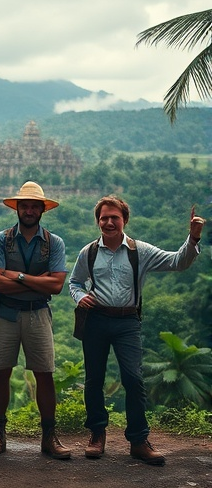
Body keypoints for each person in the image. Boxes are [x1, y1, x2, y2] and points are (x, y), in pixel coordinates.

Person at [69, 195, 205, 466]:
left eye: (114, 218)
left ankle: (139, 440)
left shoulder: (138, 250)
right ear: (98, 221)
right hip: (95, 319)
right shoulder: (89, 252)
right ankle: (97, 435)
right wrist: (79, 296)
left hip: (127, 322)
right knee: (94, 379)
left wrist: (193, 238)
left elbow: (177, 262)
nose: (109, 222)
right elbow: (74, 282)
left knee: (133, 379)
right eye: (104, 218)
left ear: (124, 220)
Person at [0, 181, 71, 460]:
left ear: (42, 210)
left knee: (44, 373)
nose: (29, 210)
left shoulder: (54, 242)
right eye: (25, 206)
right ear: (17, 209)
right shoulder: (1, 239)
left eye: (34, 206)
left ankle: (49, 436)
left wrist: (18, 276)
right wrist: (38, 283)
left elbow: (56, 286)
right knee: (1, 371)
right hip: (6, 313)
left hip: (38, 314)